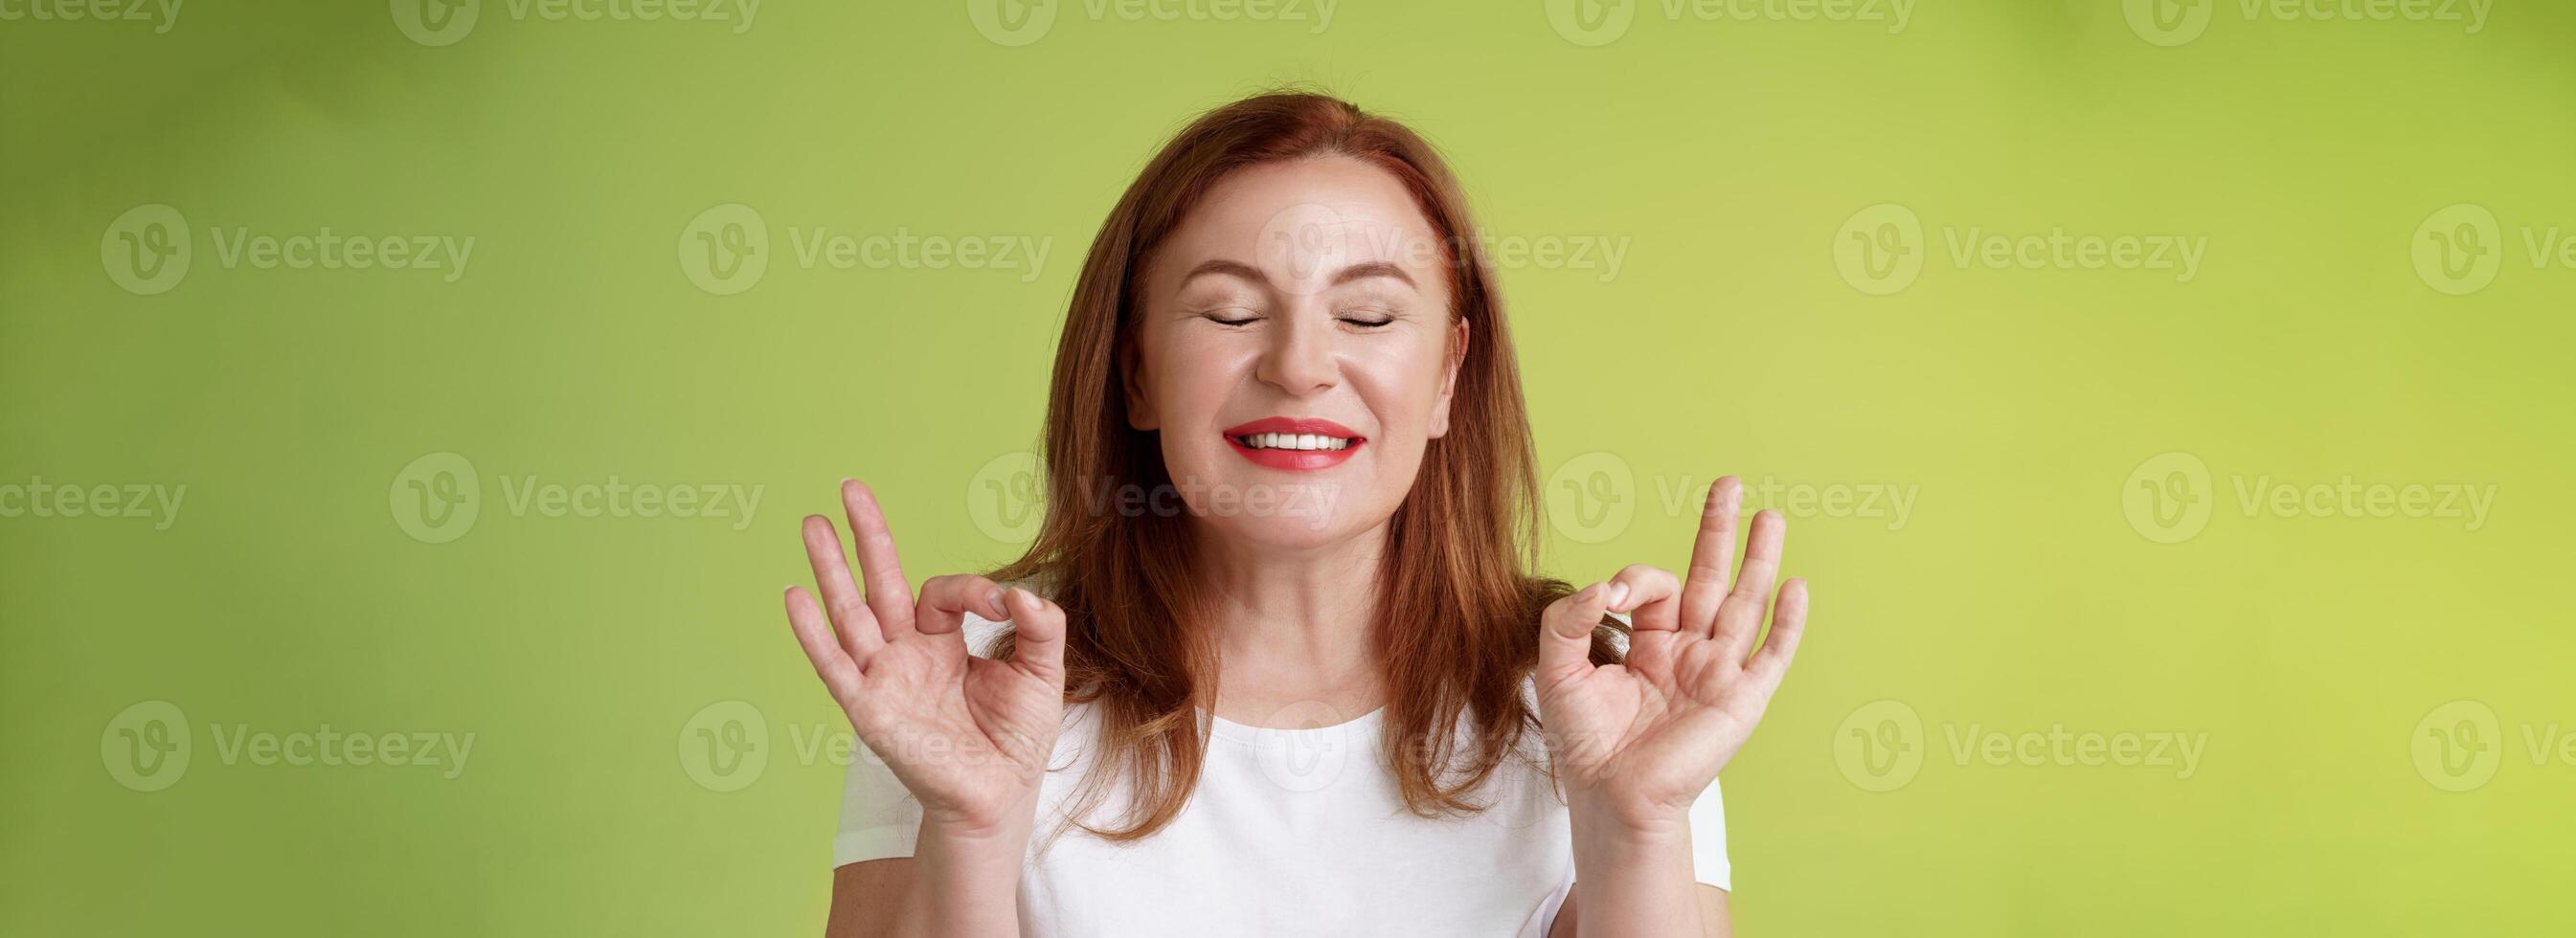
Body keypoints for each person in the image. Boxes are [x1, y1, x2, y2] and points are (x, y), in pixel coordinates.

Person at [781, 91, 1812, 938]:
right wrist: (969, 828)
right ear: (1136, 370)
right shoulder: (968, 686)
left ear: (1449, 375)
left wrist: (1636, 821)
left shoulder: (1597, 700)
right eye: (1229, 312)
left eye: (1365, 315)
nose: (1298, 367)